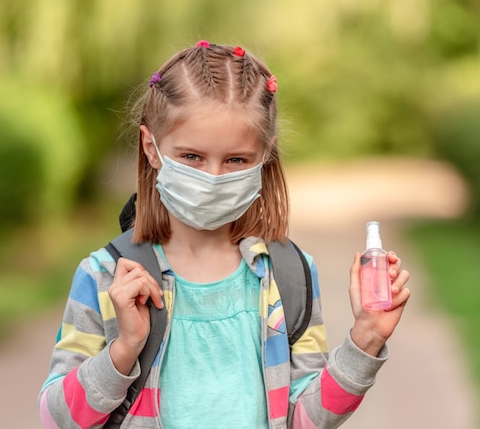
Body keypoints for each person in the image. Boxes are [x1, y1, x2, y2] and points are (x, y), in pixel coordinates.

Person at [38, 40, 411, 429]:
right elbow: (57, 418)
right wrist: (123, 351)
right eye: (191, 157)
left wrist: (365, 340)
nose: (212, 177)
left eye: (236, 160)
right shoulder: (105, 277)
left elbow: (305, 420)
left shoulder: (288, 276)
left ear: (264, 156)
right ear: (151, 148)